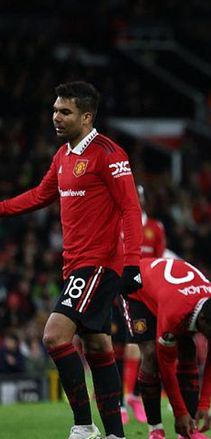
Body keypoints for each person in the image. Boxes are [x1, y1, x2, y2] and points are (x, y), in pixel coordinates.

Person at [0, 81, 143, 439]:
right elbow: (40, 195)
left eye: (65, 111)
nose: (56, 117)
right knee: (97, 345)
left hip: (99, 264)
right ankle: (115, 434)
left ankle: (83, 425)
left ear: (87, 116)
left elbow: (130, 208)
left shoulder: (109, 153)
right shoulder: (63, 156)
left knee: (54, 336)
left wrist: (133, 263)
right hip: (74, 265)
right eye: (55, 110)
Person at [125, 257, 211, 439]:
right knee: (151, 355)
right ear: (202, 319)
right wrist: (179, 413)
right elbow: (167, 367)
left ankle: (190, 431)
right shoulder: (175, 315)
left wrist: (204, 404)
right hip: (138, 288)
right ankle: (155, 430)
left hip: (171, 293)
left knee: (189, 350)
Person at [113, 185, 167, 425]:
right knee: (117, 348)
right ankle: (122, 402)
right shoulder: (117, 225)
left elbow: (160, 261)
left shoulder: (155, 228)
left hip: (145, 295)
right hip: (118, 292)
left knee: (140, 346)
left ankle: (132, 396)